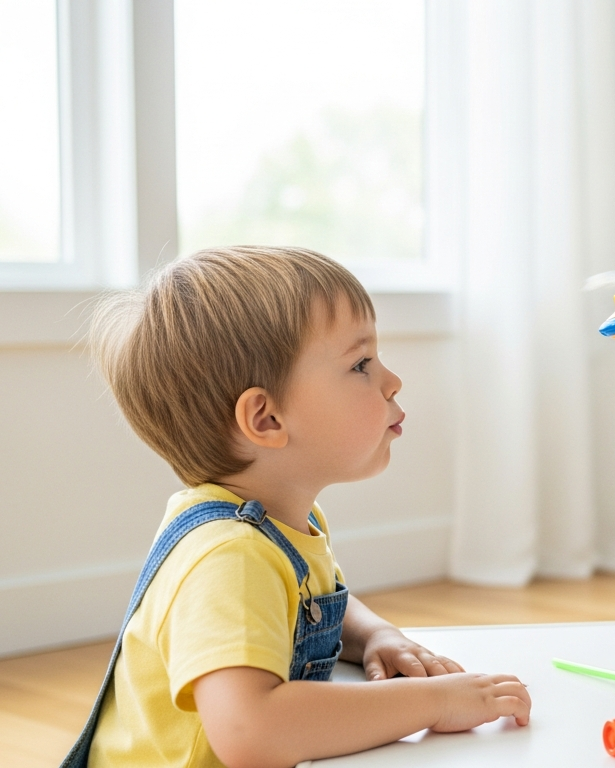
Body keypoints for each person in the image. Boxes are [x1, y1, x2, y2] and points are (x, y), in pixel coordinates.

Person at [67, 247, 530, 768]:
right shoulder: (228, 557)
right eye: (360, 364)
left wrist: (375, 634)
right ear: (266, 419)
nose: (391, 380)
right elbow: (251, 729)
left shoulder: (275, 523)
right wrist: (434, 702)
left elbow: (306, 600)